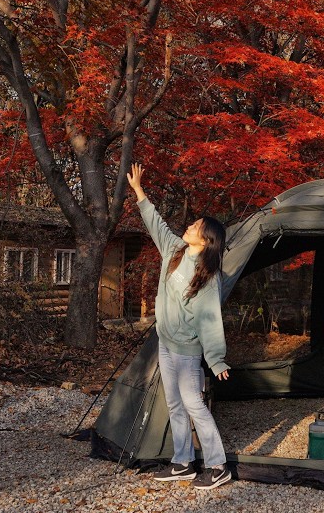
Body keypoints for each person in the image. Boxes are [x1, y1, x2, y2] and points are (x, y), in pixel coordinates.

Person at [127, 163, 233, 491]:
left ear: (206, 239)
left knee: (193, 405)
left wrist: (216, 360)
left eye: (196, 226)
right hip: (166, 343)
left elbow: (209, 320)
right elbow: (155, 223)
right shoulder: (174, 250)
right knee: (173, 403)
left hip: (187, 352)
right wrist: (139, 191)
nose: (189, 226)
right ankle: (183, 462)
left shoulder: (207, 277)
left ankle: (218, 466)